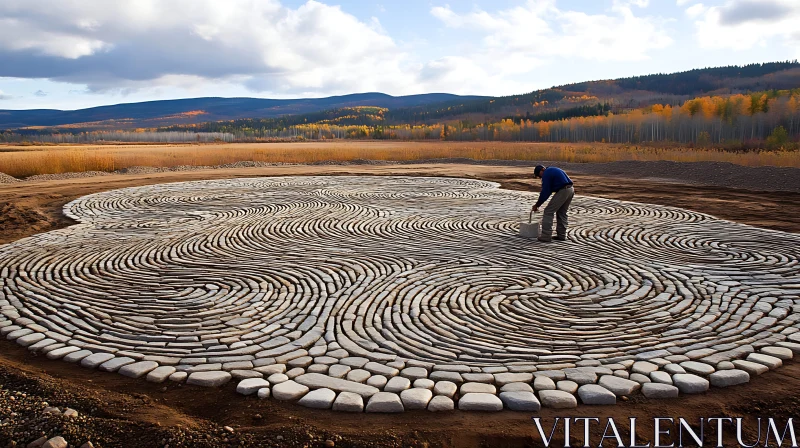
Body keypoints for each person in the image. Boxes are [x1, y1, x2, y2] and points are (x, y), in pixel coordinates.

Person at [532, 165, 574, 242]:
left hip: (563, 191)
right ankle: (561, 235)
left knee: (548, 211)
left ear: (542, 170)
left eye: (539, 175)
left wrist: (537, 205)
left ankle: (546, 236)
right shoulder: (552, 169)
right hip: (570, 189)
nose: (540, 178)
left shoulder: (546, 174)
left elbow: (546, 192)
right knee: (562, 212)